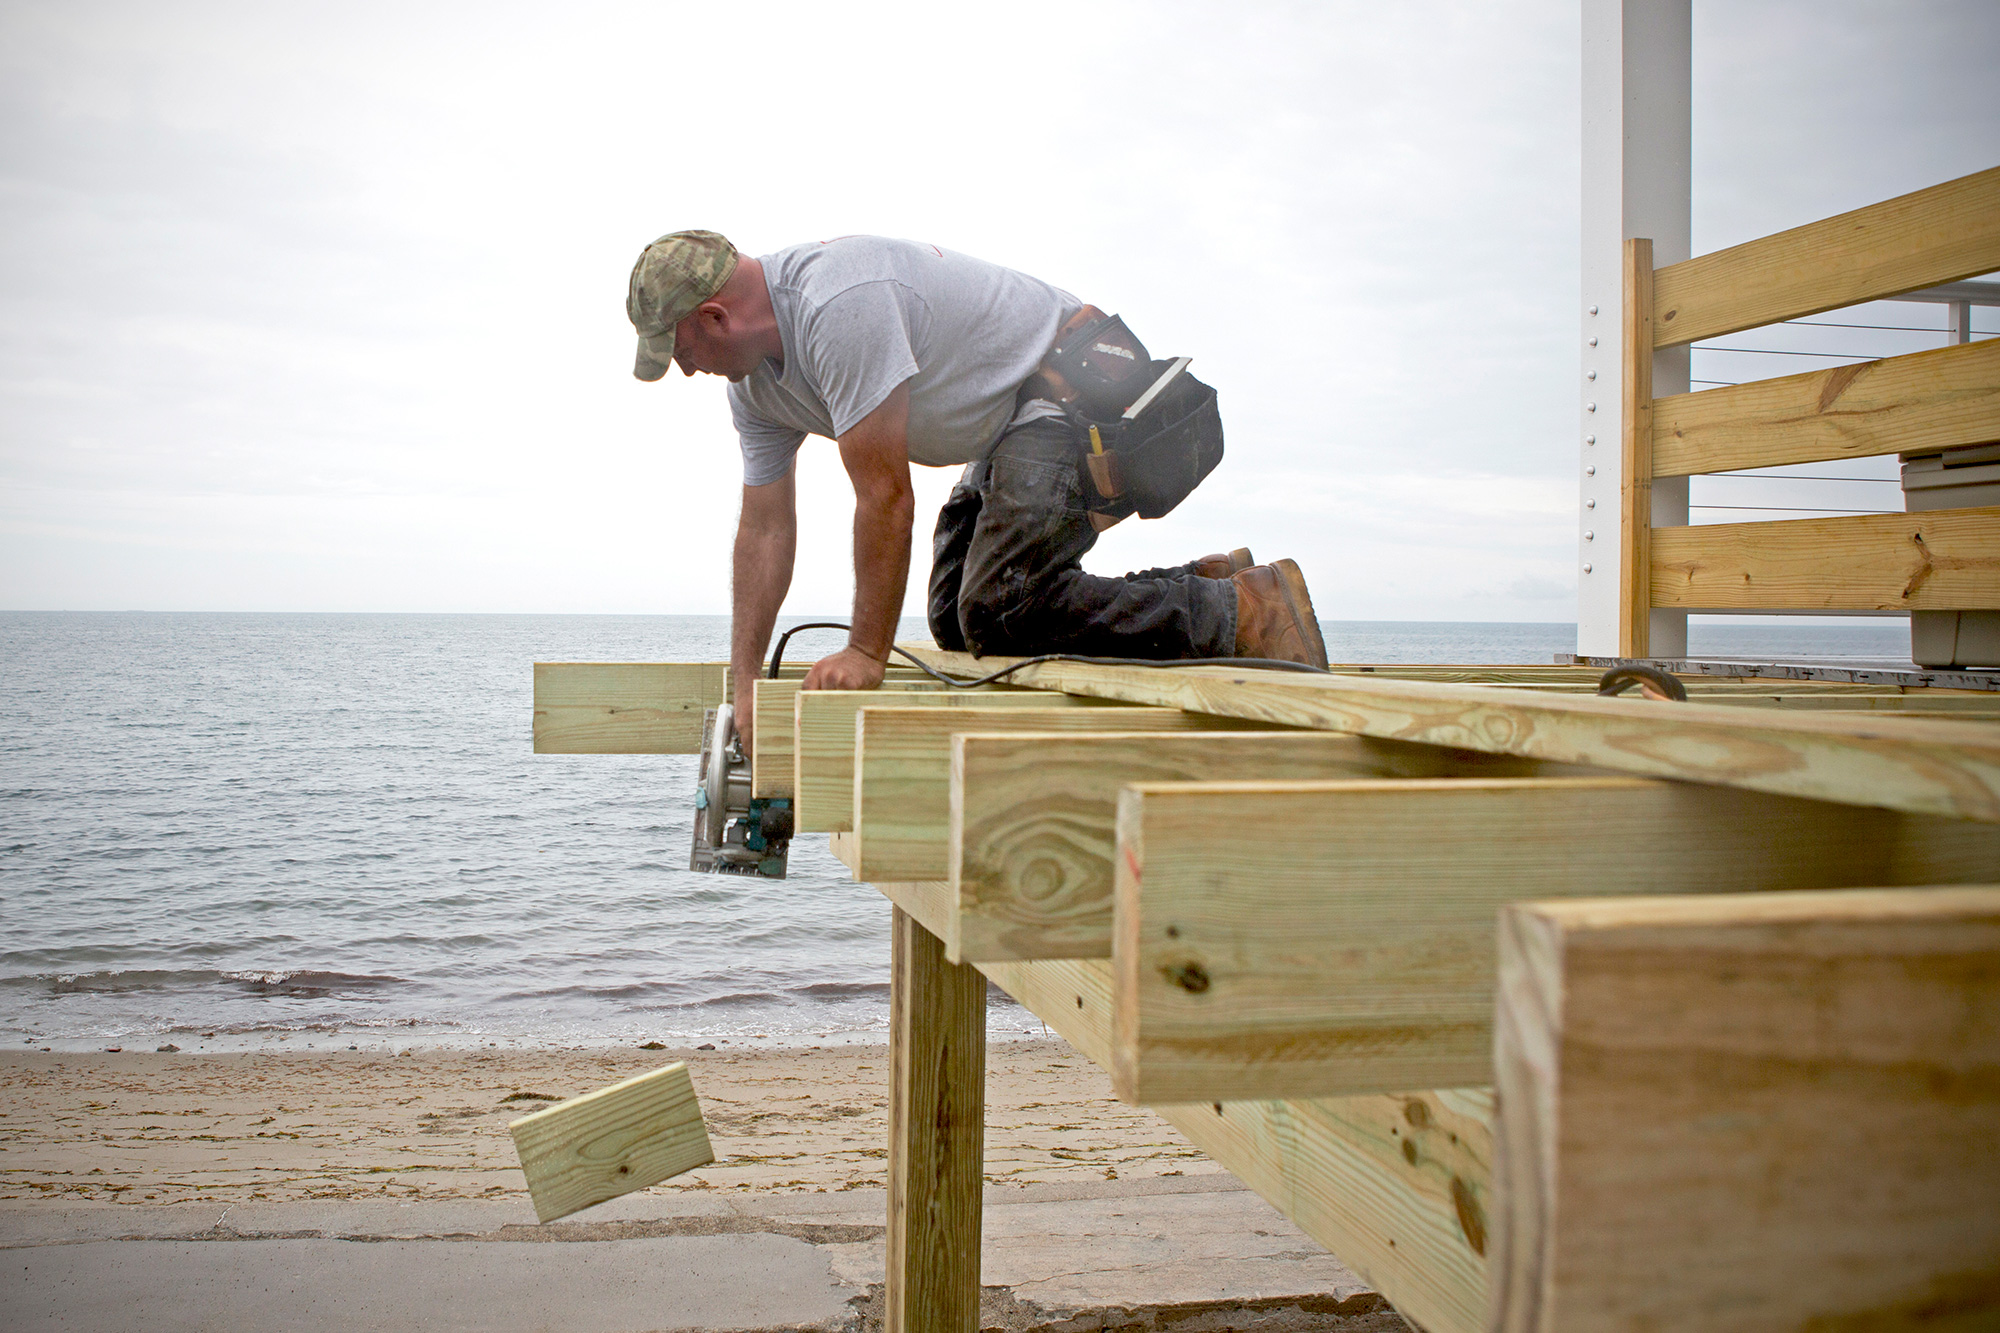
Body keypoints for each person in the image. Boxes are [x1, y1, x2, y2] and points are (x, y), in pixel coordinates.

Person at [627, 230, 1327, 747]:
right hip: (1006, 423)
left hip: (1071, 382)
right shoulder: (754, 391)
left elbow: (887, 498)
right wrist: (744, 679)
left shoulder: (838, 305)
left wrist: (868, 652)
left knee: (1002, 604)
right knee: (959, 620)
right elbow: (765, 530)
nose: (689, 371)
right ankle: (1204, 583)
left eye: (684, 353)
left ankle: (1245, 611)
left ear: (715, 318)